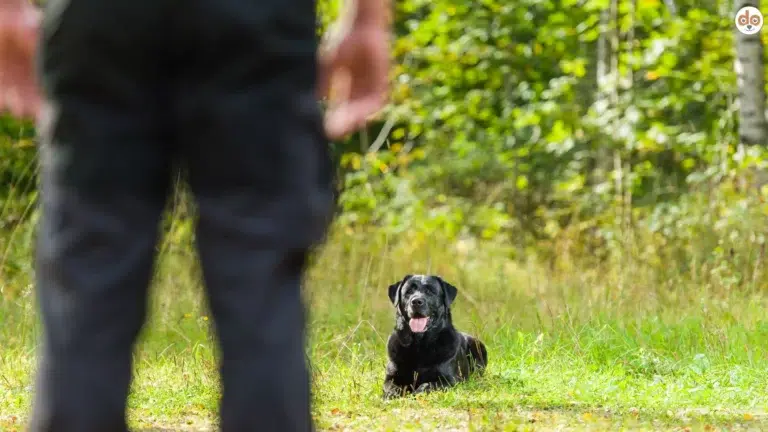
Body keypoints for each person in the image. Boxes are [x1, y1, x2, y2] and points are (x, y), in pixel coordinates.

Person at [0, 0, 391, 430]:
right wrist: (366, 19)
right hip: (253, 22)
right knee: (258, 273)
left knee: (91, 272)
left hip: (101, 18)